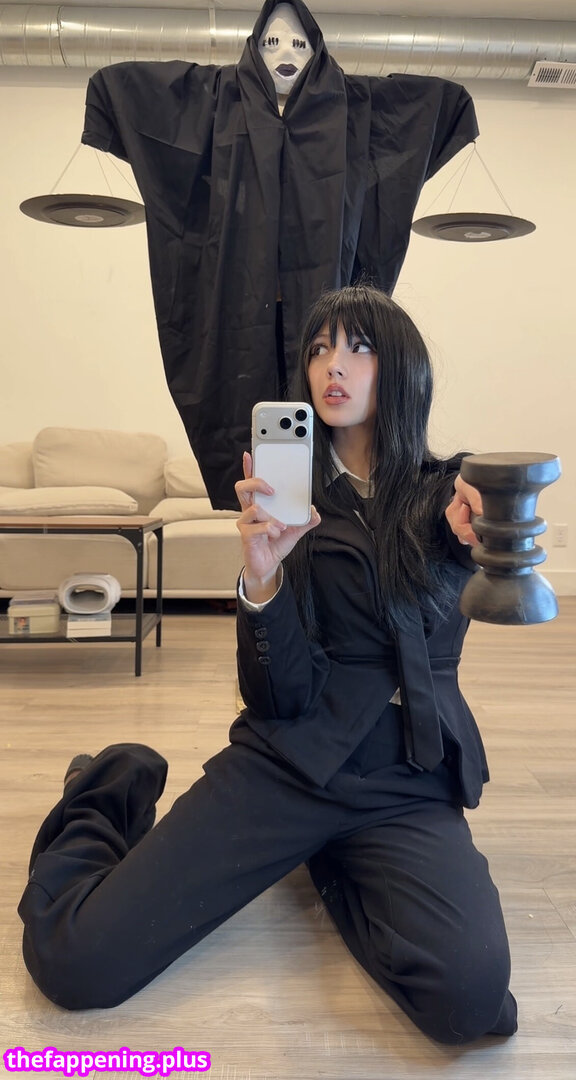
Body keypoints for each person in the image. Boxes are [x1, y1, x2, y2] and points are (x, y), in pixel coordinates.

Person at [18, 285, 517, 1045]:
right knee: (76, 965)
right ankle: (104, 786)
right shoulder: (287, 501)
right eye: (319, 349)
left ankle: (334, 861)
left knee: (470, 1002)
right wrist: (262, 579)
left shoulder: (446, 497)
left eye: (358, 347)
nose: (332, 366)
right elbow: (276, 696)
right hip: (291, 763)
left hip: (405, 780)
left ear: (403, 366)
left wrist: (469, 542)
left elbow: (452, 585)